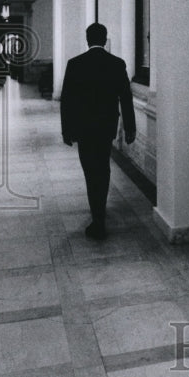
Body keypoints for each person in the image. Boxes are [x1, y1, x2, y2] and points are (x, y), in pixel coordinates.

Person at [60, 23, 136, 239]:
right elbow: (126, 98)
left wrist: (67, 131)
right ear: (104, 39)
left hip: (83, 128)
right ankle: (100, 213)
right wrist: (130, 128)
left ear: (87, 39)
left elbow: (67, 100)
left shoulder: (75, 64)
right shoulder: (116, 64)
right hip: (106, 127)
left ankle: (97, 217)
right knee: (103, 168)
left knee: (89, 171)